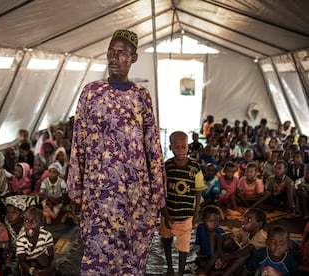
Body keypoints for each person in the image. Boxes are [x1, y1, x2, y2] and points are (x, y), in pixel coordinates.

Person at [67, 29, 166, 275]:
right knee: (96, 254)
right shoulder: (91, 92)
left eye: (121, 53)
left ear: (133, 58)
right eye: (111, 52)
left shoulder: (141, 96)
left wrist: (157, 195)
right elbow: (78, 141)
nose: (114, 58)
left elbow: (152, 145)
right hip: (98, 194)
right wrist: (75, 189)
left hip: (134, 194)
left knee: (131, 255)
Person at [160, 131, 206, 276]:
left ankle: (180, 272)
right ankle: (169, 268)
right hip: (169, 214)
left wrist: (196, 211)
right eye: (177, 147)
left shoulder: (195, 167)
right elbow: (161, 191)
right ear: (171, 147)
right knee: (166, 240)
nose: (180, 150)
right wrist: (165, 214)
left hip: (186, 215)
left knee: (184, 246)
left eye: (184, 147)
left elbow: (198, 189)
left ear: (188, 147)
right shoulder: (166, 166)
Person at [17, 206, 55, 276]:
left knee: (43, 260)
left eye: (34, 221)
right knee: (31, 264)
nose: (29, 225)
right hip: (29, 266)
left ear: (41, 223)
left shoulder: (47, 235)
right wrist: (32, 271)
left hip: (43, 263)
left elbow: (52, 256)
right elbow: (22, 260)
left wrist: (48, 269)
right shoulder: (21, 240)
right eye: (26, 221)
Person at [194, 205, 226, 275]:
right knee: (198, 261)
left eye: (216, 221)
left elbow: (223, 251)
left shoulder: (220, 232)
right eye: (210, 221)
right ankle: (212, 268)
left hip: (217, 257)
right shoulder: (200, 227)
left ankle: (210, 268)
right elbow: (199, 244)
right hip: (206, 256)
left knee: (220, 264)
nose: (213, 224)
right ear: (203, 220)